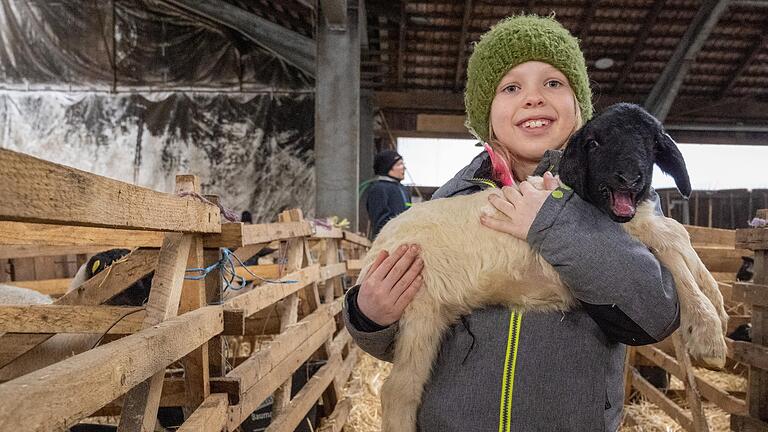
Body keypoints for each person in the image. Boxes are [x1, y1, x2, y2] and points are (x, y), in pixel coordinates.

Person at [343, 15, 680, 431]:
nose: (533, 98)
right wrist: (371, 317)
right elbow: (404, 339)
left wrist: (554, 222)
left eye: (553, 84)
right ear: (487, 113)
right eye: (511, 87)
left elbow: (655, 314)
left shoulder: (619, 202)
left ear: (581, 108)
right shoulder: (453, 203)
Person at [364, 149, 412, 238]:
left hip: (404, 238)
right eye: (399, 164)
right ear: (387, 167)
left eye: (403, 164)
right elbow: (380, 221)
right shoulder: (379, 189)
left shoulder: (403, 189)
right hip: (388, 241)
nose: (404, 167)